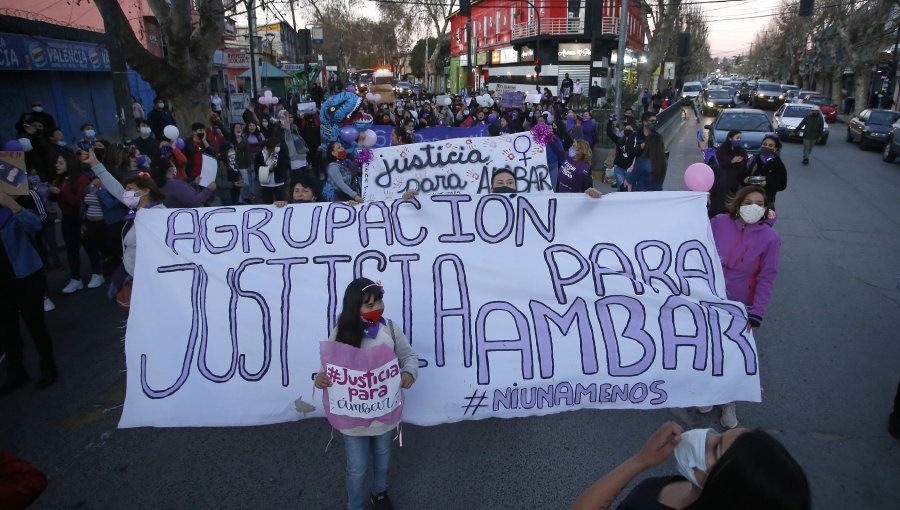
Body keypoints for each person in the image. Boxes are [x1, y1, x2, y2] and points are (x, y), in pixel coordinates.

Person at [313, 278, 418, 510]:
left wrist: (409, 372)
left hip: (384, 414)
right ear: (354, 307)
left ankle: (379, 493)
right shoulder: (340, 332)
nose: (376, 307)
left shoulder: (389, 328)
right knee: (357, 467)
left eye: (378, 301)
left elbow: (409, 357)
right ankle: (355, 505)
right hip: (352, 418)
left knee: (382, 459)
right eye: (369, 305)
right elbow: (329, 369)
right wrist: (319, 379)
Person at [571, 422, 811, 510]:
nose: (704, 437)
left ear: (729, 490)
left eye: (714, 448)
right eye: (718, 435)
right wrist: (642, 460)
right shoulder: (686, 486)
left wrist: (639, 462)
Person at [707, 185, 781, 428]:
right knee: (709, 348)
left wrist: (757, 313)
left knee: (734, 355)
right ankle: (706, 391)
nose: (753, 207)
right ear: (738, 204)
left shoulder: (770, 239)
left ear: (766, 208)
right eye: (748, 201)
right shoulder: (719, 222)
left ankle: (729, 401)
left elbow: (767, 277)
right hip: (709, 299)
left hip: (741, 306)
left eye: (759, 203)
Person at [0, 189, 58, 393]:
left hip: (25, 276)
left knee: (35, 324)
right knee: (7, 330)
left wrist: (11, 204)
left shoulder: (13, 206)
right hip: (3, 282)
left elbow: (35, 225)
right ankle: (16, 371)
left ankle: (48, 366)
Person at [83, 148, 166, 279]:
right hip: (133, 270)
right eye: (125, 189)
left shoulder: (159, 215)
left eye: (130, 189)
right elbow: (114, 187)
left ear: (145, 191)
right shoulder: (136, 208)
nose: (125, 193)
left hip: (149, 274)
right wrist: (95, 164)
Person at [49, 152, 103, 294]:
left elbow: (80, 201)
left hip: (81, 218)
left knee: (89, 247)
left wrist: (60, 193)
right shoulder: (59, 179)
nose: (57, 166)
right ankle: (75, 279)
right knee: (71, 250)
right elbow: (54, 199)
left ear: (69, 163)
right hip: (67, 218)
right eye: (57, 163)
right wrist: (52, 193)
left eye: (61, 163)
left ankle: (98, 274)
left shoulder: (81, 179)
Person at [742, 135, 787, 207]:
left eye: (770, 145)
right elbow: (741, 175)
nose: (766, 147)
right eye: (764, 144)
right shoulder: (753, 159)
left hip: (767, 201)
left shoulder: (778, 164)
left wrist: (767, 183)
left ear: (775, 149)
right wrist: (746, 179)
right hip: (749, 199)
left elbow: (782, 185)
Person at [606, 110, 640, 191]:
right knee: (621, 190)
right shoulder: (620, 140)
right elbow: (609, 133)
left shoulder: (638, 141)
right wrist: (610, 121)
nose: (626, 127)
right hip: (619, 168)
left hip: (631, 170)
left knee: (630, 191)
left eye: (628, 126)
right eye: (625, 125)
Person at [254, 137, 289, 204]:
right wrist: (269, 169)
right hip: (265, 184)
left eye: (279, 146)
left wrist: (276, 167)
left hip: (279, 183)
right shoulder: (260, 155)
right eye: (276, 146)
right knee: (267, 204)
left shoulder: (281, 153)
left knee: (281, 203)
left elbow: (284, 167)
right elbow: (257, 169)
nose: (278, 147)